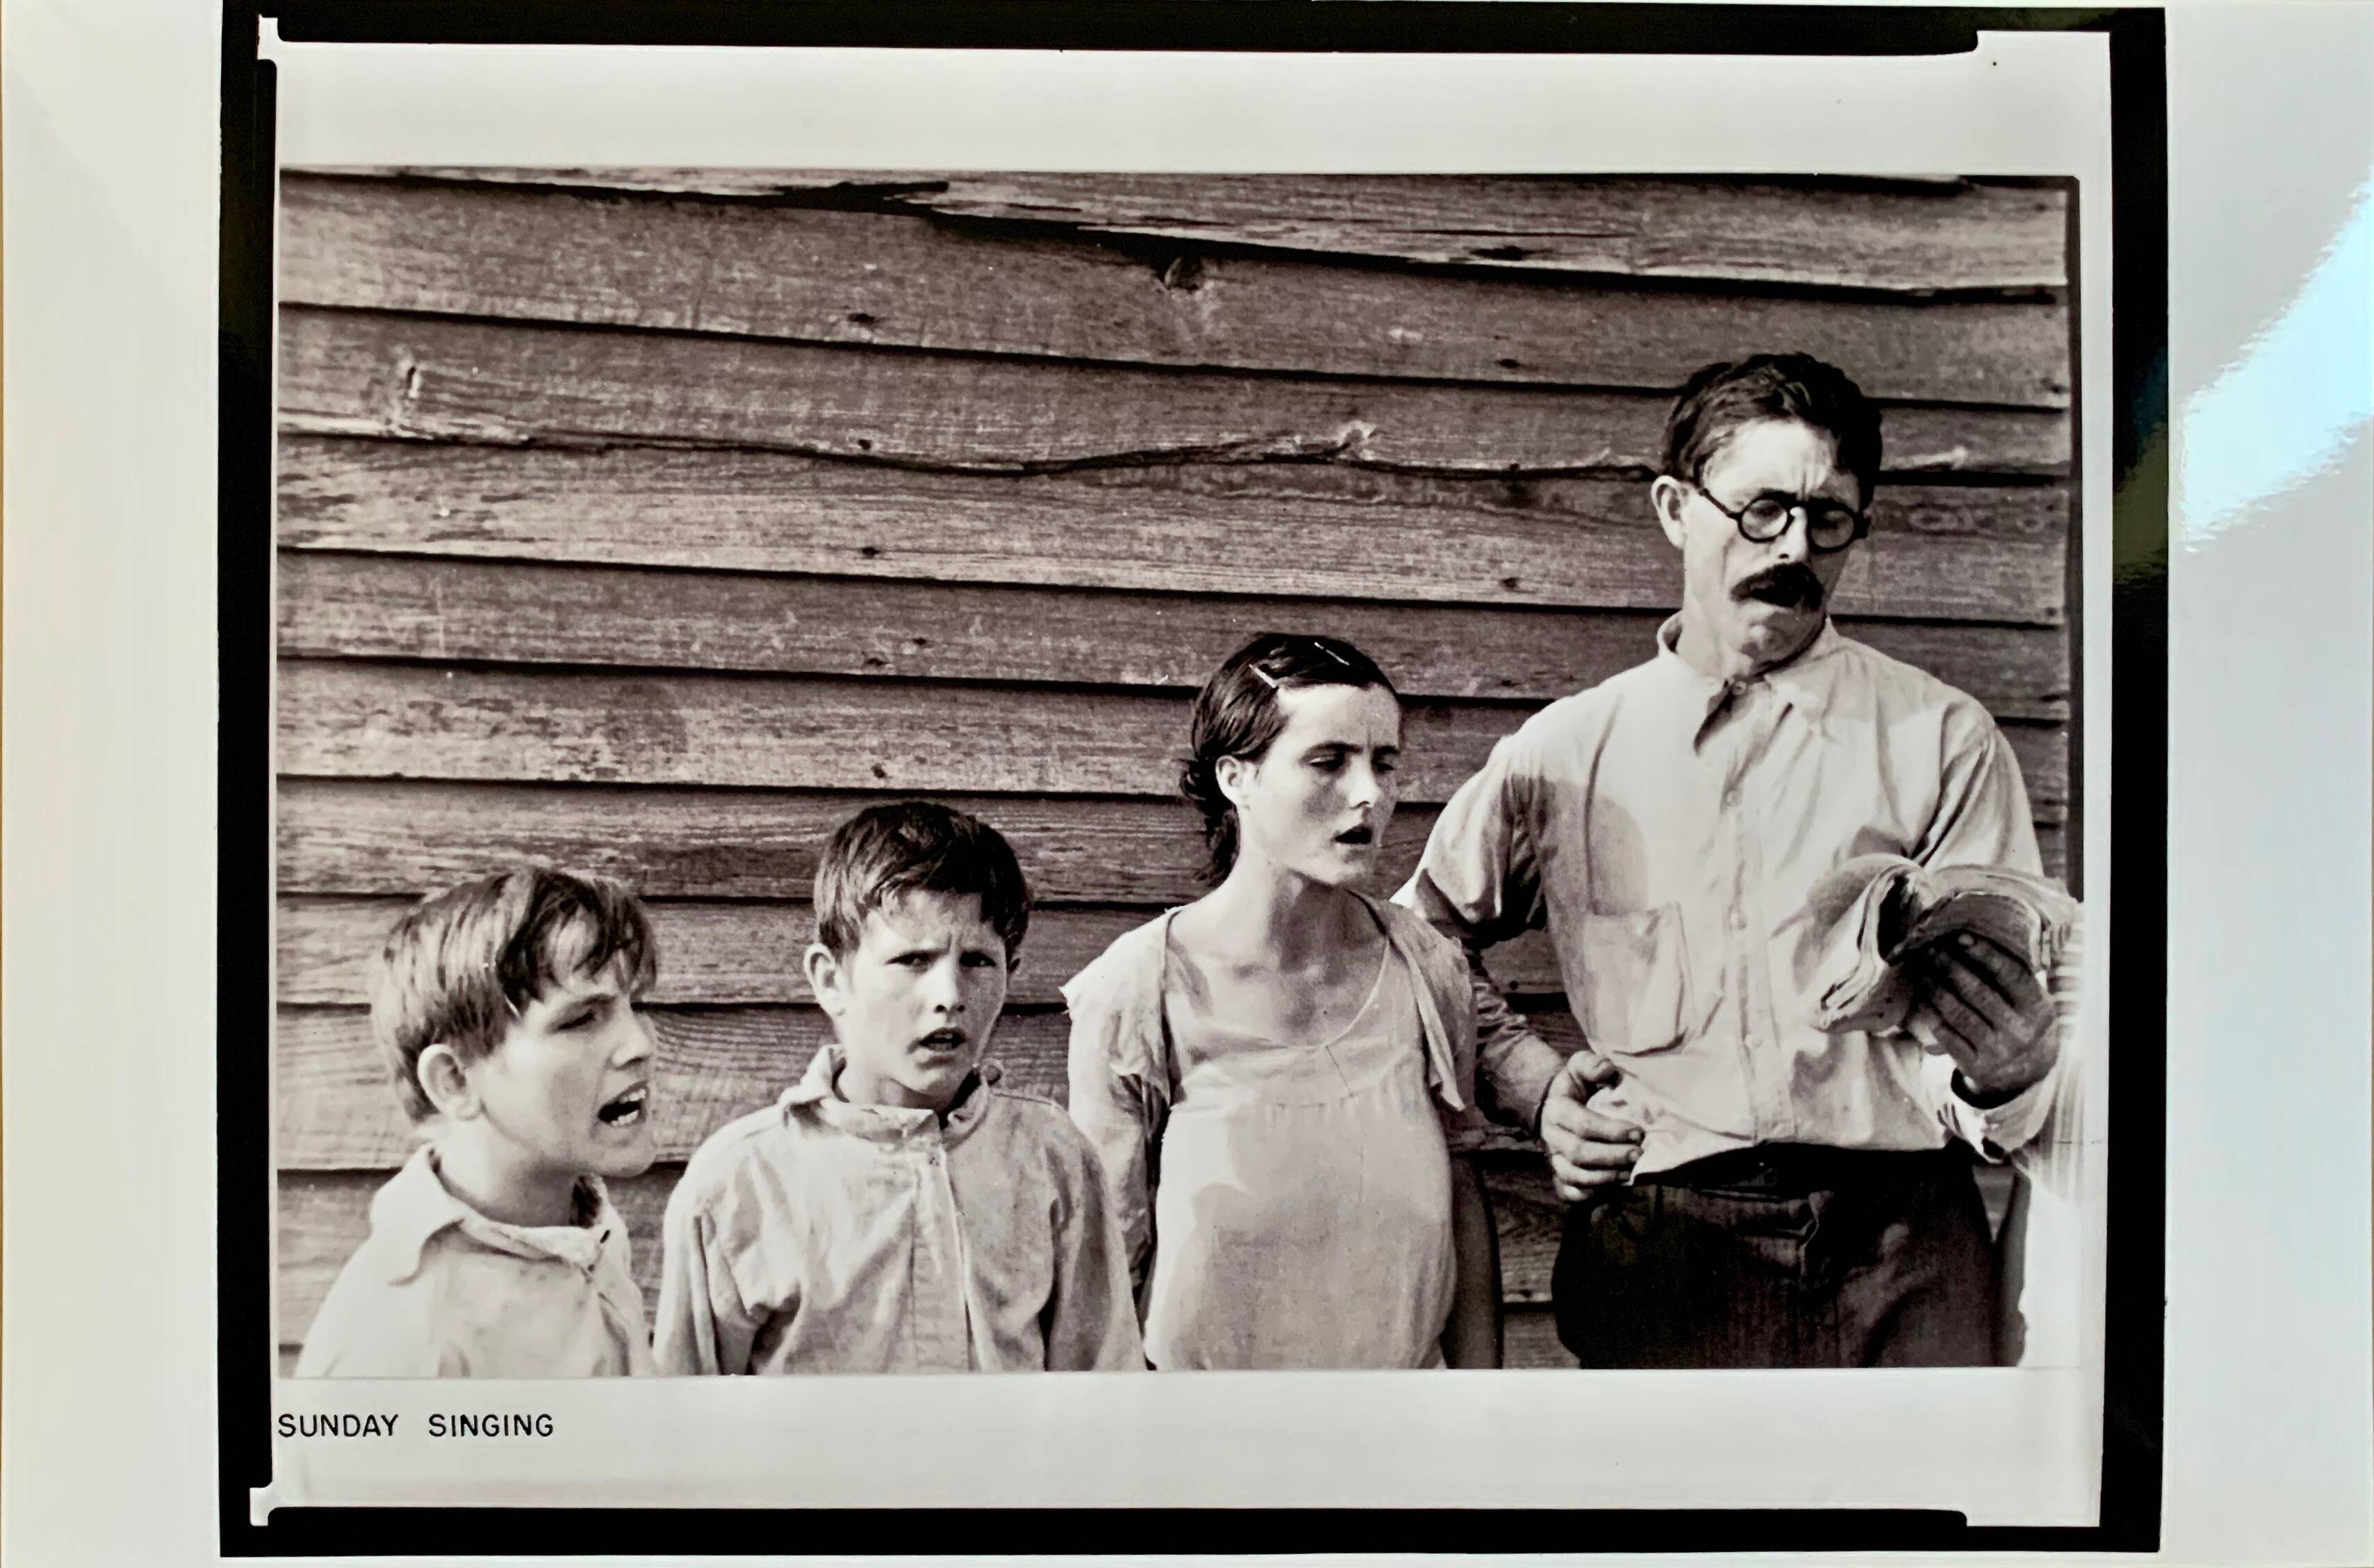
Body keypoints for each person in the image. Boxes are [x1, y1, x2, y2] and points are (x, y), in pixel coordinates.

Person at [1397, 353, 2071, 1368]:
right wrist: (1538, 1091)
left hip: (1903, 1249)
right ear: (1676, 508)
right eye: (1761, 510)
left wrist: (2009, 1068)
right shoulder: (1567, 756)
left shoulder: (1943, 739)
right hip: (1666, 1247)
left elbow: (1996, 1025)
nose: (1793, 548)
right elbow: (1421, 945)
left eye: (1829, 518)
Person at [1065, 633, 1503, 1370]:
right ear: (1235, 777)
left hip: (1400, 1437)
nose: (1368, 793)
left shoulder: (1426, 967)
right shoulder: (1138, 989)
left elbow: (1460, 1201)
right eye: (1328, 762)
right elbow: (1103, 1264)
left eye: (1384, 763)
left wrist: (1480, 1412)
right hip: (1205, 1449)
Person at [653, 801, 1142, 1374]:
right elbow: (686, 1420)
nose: (949, 994)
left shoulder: (1051, 1158)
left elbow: (1101, 1390)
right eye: (913, 959)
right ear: (832, 981)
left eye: (979, 961)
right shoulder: (740, 1183)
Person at [295, 867, 662, 1377]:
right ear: (455, 1081)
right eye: (580, 1019)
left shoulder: (582, 1229)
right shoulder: (398, 1343)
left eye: (635, 1005)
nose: (641, 1044)